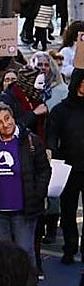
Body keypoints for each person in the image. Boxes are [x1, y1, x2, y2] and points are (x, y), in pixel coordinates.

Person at [0, 102, 51, 254]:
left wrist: (37, 194)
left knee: (25, 252)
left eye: (7, 118)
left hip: (24, 210)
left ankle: (28, 278)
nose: (5, 124)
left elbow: (44, 170)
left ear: (13, 117)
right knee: (3, 255)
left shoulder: (30, 140)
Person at [48, 68, 84, 263]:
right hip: (68, 167)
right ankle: (69, 247)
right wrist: (52, 153)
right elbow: (52, 134)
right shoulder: (62, 110)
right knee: (68, 211)